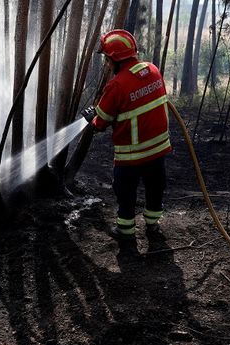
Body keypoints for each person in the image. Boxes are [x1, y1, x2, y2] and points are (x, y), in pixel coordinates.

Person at [82, 29, 172, 240]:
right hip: (158, 150)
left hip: (132, 155)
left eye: (106, 59)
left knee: (125, 192)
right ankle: (153, 226)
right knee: (155, 189)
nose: (106, 64)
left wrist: (91, 119)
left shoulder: (116, 85)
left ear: (114, 59)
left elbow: (101, 123)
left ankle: (126, 232)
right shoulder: (153, 70)